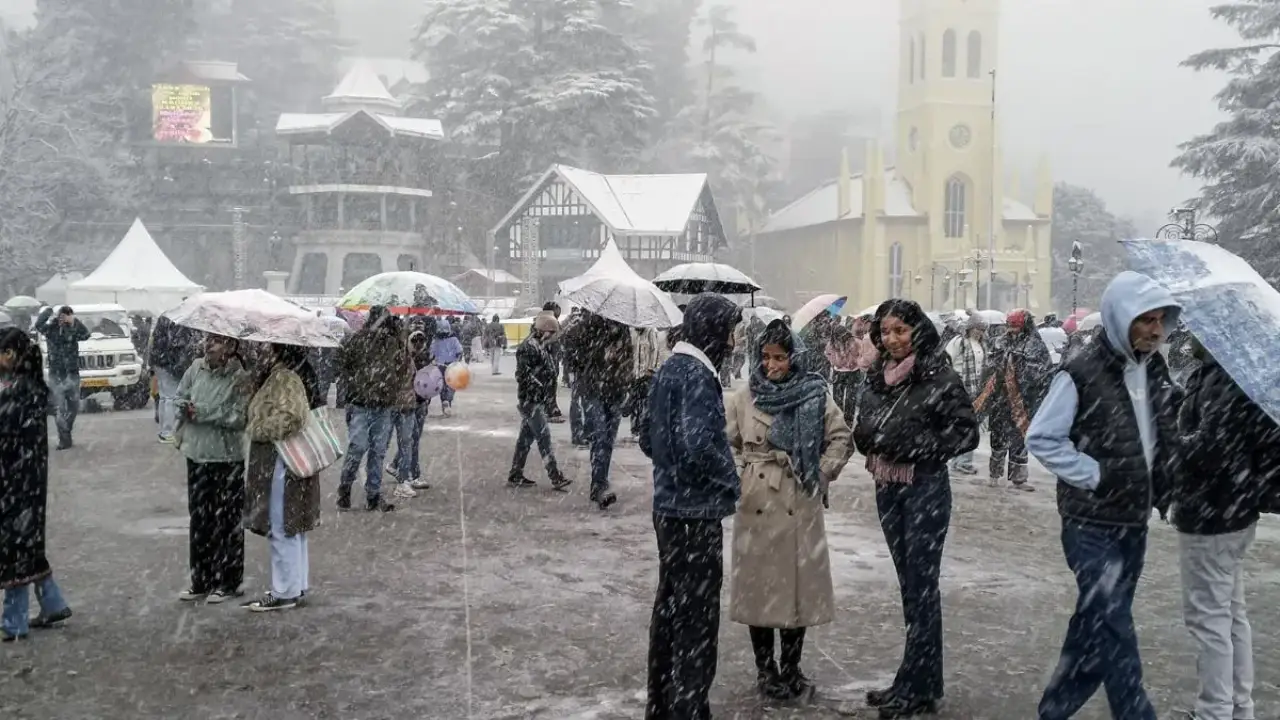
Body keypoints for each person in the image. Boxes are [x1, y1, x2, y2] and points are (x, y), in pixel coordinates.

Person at [1026, 271, 1181, 720]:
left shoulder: (1154, 370)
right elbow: (1042, 437)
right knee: (1113, 622)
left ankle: (1056, 708)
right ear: (1119, 318)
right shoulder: (1080, 374)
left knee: (1097, 620)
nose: (1155, 331)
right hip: (1090, 524)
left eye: (1160, 320)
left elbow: (1159, 438)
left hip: (1134, 522)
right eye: (1144, 320)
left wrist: (1168, 481)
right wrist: (1096, 475)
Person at [854, 299, 979, 719]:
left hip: (923, 488)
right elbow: (868, 421)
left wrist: (916, 447)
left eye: (899, 331)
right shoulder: (878, 377)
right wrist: (865, 436)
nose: (891, 339)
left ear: (917, 332)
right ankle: (915, 680)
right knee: (910, 587)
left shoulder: (939, 376)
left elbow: (966, 433)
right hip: (887, 486)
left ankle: (919, 686)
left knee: (921, 589)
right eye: (885, 332)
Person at [726, 319, 851, 701]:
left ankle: (792, 666)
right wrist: (742, 478)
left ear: (794, 358)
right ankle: (766, 669)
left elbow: (841, 438)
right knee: (758, 592)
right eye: (765, 357)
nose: (771, 365)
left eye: (779, 358)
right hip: (757, 503)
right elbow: (726, 442)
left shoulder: (814, 393)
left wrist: (820, 474)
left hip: (798, 498)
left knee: (797, 592)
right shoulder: (743, 397)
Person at [639, 293, 742, 720]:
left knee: (669, 608)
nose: (735, 341)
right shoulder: (698, 374)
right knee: (697, 617)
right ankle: (689, 706)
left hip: (667, 509)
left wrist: (672, 467)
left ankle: (662, 703)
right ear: (715, 332)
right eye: (731, 331)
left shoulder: (670, 369)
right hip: (695, 515)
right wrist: (730, 480)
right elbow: (699, 443)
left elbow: (648, 436)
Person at [1173, 335, 1280, 720]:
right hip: (1233, 510)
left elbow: (1209, 450)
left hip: (1210, 513)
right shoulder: (1240, 373)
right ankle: (1238, 708)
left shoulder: (1225, 380)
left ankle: (1214, 711)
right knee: (1231, 614)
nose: (1190, 338)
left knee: (1209, 619)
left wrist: (1171, 441)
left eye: (1198, 332)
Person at [0, 329, 72, 641]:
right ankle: (52, 602)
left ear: (12, 354)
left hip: (15, 482)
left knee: (14, 548)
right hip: (27, 480)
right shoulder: (29, 388)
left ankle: (13, 620)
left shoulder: (18, 391)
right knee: (27, 546)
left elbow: (7, 438)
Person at [243, 344, 324, 612]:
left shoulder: (283, 377)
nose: (259, 352)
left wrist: (258, 427)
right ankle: (294, 584)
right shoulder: (283, 374)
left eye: (264, 348)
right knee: (291, 526)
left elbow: (293, 416)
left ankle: (284, 592)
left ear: (278, 350)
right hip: (286, 461)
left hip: (281, 461)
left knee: (281, 525)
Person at [174, 334, 251, 604]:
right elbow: (180, 396)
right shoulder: (196, 368)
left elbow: (240, 417)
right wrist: (183, 407)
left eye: (216, 341)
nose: (208, 345)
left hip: (227, 458)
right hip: (196, 455)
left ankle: (229, 582)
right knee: (199, 520)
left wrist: (205, 413)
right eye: (208, 340)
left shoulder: (241, 378)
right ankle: (201, 580)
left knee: (227, 521)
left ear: (231, 347)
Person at [975, 309, 1052, 491]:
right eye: (1009, 326)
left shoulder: (1034, 344)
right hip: (1000, 399)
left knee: (1019, 440)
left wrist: (1019, 365)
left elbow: (1041, 372)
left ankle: (1019, 479)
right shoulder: (1000, 342)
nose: (1011, 330)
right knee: (998, 438)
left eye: (1015, 327)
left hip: (1022, 402)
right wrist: (1001, 366)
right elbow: (989, 367)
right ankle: (995, 474)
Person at [562, 311, 633, 509]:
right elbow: (570, 350)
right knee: (600, 437)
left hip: (616, 389)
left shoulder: (623, 328)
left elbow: (628, 359)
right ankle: (599, 485)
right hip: (594, 389)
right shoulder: (587, 326)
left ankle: (599, 481)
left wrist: (627, 385)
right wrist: (594, 358)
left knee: (608, 440)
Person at [337, 306, 402, 512]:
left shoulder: (393, 344)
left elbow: (399, 369)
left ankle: (373, 493)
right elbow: (343, 364)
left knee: (378, 451)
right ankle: (345, 487)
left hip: (382, 405)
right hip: (361, 404)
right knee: (358, 447)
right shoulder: (357, 341)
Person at [509, 312, 571, 490]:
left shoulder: (538, 345)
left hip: (535, 400)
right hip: (531, 400)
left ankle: (515, 473)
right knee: (544, 438)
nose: (553, 337)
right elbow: (523, 375)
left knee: (525, 440)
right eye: (551, 333)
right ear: (544, 330)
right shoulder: (529, 347)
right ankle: (555, 476)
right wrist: (540, 387)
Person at [33, 305, 89, 450]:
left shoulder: (74, 328)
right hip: (56, 374)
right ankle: (64, 439)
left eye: (68, 315)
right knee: (60, 408)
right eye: (63, 315)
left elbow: (86, 335)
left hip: (72, 373)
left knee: (74, 406)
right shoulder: (50, 329)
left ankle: (66, 431)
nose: (64, 318)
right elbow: (38, 325)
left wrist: (74, 322)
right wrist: (47, 312)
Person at [388, 329, 433, 495]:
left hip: (416, 403)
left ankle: (399, 469)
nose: (419, 344)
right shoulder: (402, 357)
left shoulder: (423, 357)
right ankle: (410, 475)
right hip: (406, 404)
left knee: (410, 440)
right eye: (415, 340)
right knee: (409, 441)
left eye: (422, 340)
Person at [944, 315, 987, 476]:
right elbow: (947, 361)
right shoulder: (959, 342)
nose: (979, 333)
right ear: (970, 328)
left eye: (982, 330)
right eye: (977, 329)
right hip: (959, 389)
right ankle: (962, 461)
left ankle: (961, 460)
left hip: (976, 391)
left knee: (968, 426)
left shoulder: (982, 345)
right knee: (964, 425)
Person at [150, 313, 201, 445]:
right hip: (167, 364)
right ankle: (168, 432)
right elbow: (177, 347)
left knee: (164, 398)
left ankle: (163, 432)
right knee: (171, 398)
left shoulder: (164, 319)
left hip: (159, 362)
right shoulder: (177, 322)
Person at [628, 326, 662, 441]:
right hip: (634, 374)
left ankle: (644, 430)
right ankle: (634, 429)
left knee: (645, 403)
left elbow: (655, 350)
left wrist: (651, 368)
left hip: (646, 374)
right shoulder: (632, 332)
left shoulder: (651, 331)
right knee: (634, 402)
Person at [430, 319, 464, 417]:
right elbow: (459, 351)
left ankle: (444, 402)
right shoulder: (454, 340)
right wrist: (458, 359)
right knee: (451, 386)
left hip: (440, 366)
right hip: (452, 366)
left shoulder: (435, 340)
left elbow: (431, 353)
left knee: (442, 386)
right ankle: (448, 401)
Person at [541, 302, 566, 422]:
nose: (559, 313)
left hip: (552, 359)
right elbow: (543, 341)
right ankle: (549, 408)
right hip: (547, 359)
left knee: (551, 384)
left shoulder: (550, 321)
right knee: (548, 385)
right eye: (557, 310)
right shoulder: (546, 322)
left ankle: (551, 406)